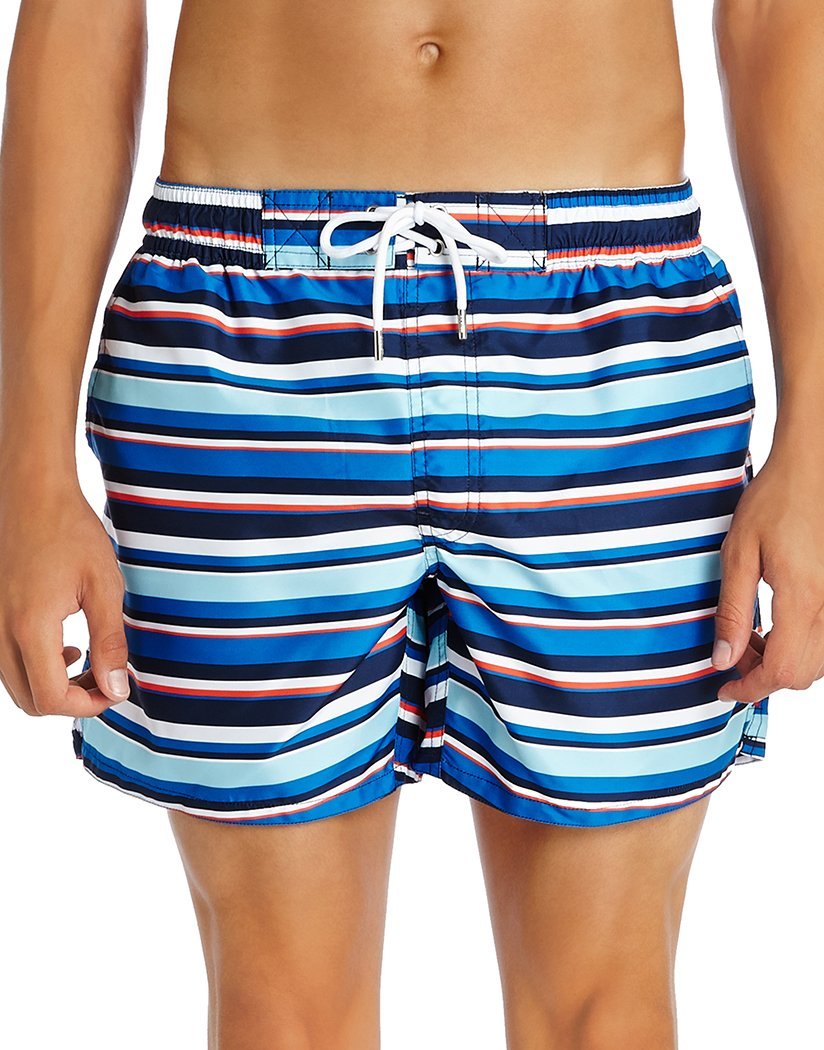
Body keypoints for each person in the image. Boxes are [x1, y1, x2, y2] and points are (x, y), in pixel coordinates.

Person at [1, 2, 821, 1048]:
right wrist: (29, 471)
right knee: (278, 1019)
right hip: (241, 340)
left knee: (605, 1015)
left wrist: (817, 439)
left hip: (613, 342)